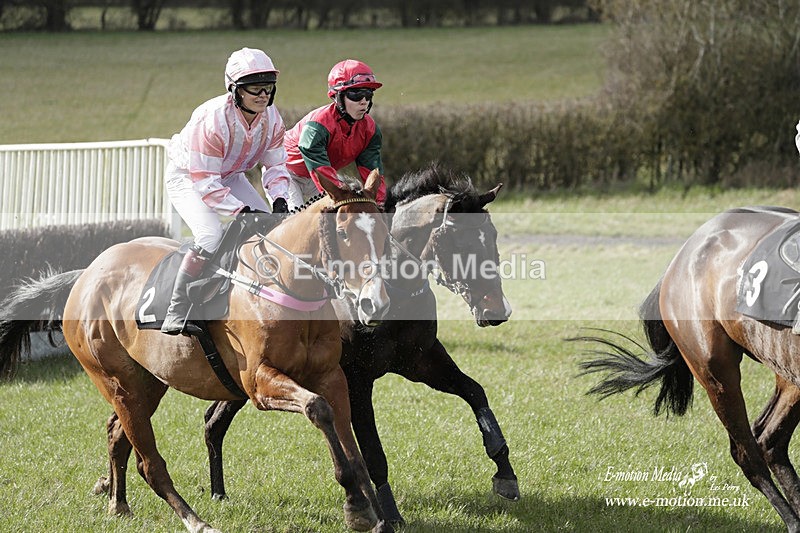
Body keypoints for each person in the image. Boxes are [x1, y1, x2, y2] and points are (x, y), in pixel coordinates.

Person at [161, 47, 291, 336]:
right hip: (189, 178)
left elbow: (275, 165)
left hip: (229, 176)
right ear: (235, 90)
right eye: (255, 88)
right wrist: (241, 211)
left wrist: (280, 198)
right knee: (210, 235)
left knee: (272, 230)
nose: (263, 95)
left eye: (268, 87)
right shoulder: (212, 120)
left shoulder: (272, 118)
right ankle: (177, 307)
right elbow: (206, 183)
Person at [283, 59, 387, 209]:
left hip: (316, 178)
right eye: (356, 94)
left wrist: (381, 206)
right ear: (338, 96)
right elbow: (322, 172)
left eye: (368, 94)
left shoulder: (370, 130)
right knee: (295, 218)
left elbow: (373, 174)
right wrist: (340, 194)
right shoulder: (318, 125)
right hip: (287, 174)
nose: (364, 101)